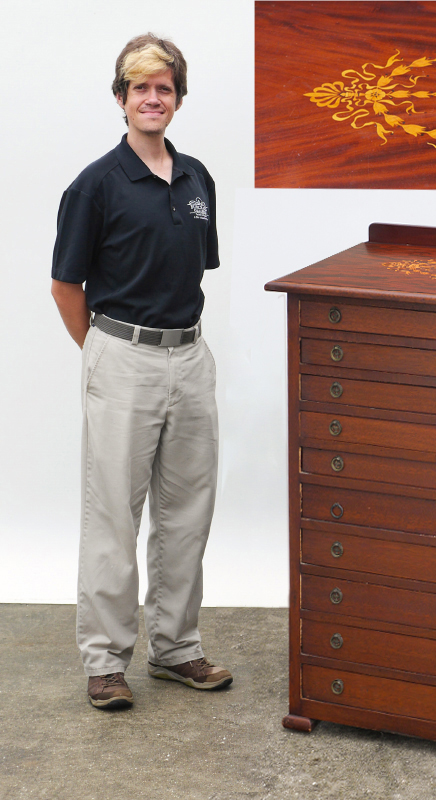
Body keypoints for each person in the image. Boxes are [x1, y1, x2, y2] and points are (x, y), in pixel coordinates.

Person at [51, 33, 231, 709]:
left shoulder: (196, 180)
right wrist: (107, 355)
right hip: (122, 357)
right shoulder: (95, 185)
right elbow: (67, 287)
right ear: (121, 99)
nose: (151, 98)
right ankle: (104, 660)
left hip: (191, 358)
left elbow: (194, 267)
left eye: (164, 88)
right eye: (139, 87)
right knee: (113, 518)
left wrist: (170, 355)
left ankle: (177, 648)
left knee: (187, 514)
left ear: (177, 100)